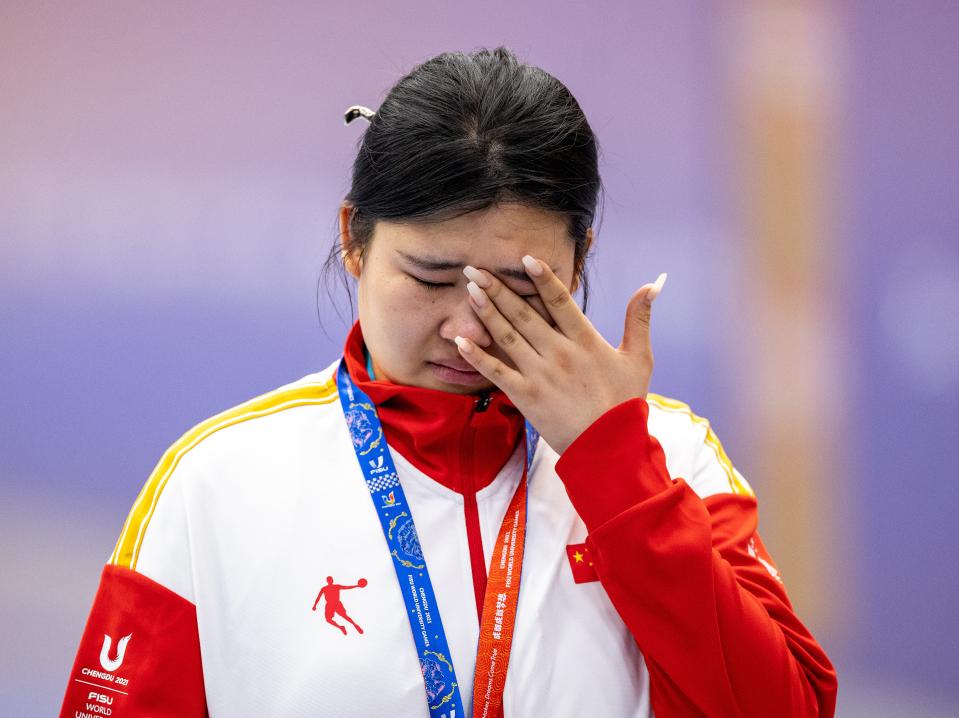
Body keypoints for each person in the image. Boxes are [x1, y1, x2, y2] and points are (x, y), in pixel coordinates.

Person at [59, 47, 837, 717]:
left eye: (518, 287)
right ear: (353, 239)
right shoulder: (216, 483)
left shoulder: (670, 456)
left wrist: (613, 467)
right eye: (431, 279)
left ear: (580, 260)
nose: (469, 330)